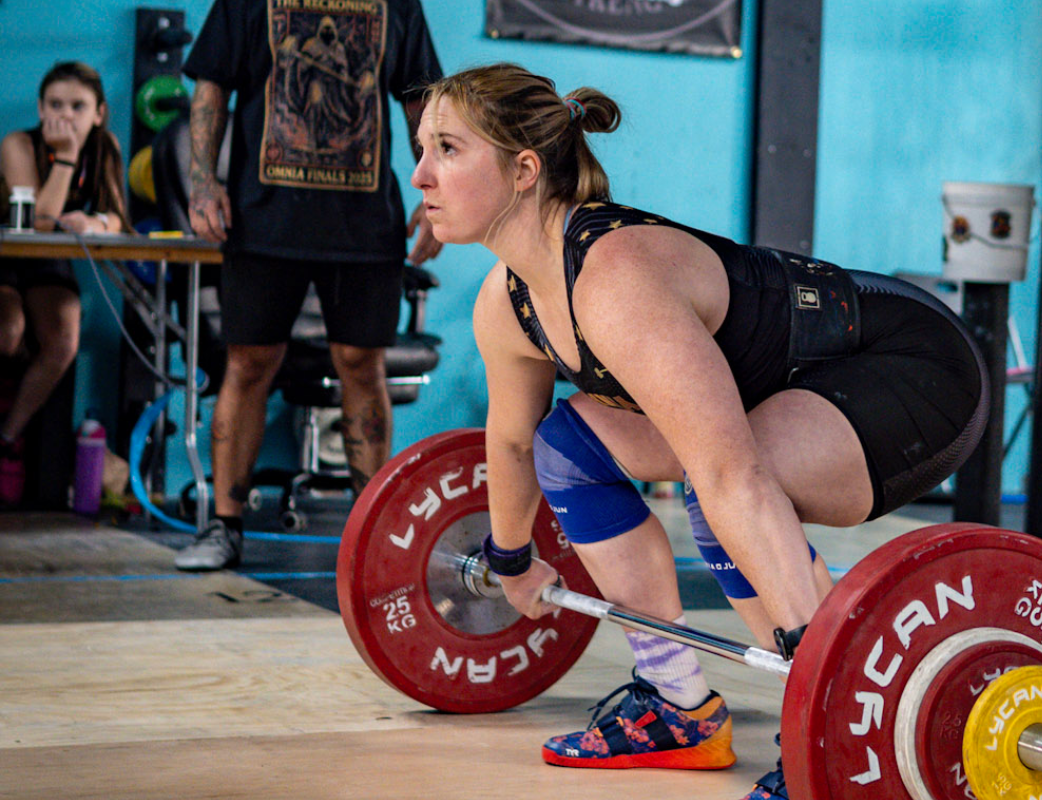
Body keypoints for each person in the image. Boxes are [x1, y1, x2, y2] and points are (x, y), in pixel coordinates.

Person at [413, 63, 990, 798]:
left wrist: (822, 690)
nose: (421, 175)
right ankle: (677, 704)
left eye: (447, 149)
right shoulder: (508, 301)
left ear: (523, 170)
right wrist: (512, 557)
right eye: (422, 148)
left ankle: (830, 727)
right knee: (572, 445)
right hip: (787, 393)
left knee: (722, 489)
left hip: (911, 366)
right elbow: (517, 441)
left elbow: (731, 477)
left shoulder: (614, 277)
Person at [173, 0, 443, 570]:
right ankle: (224, 527)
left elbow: (423, 102)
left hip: (364, 225)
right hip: (263, 218)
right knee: (248, 364)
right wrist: (202, 183)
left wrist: (435, 193)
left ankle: (372, 537)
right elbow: (211, 88)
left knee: (361, 364)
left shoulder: (398, 5)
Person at [0, 62, 129, 506]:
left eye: (78, 106)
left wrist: (94, 220)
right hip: (10, 256)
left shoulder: (106, 147)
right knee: (9, 332)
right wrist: (67, 157)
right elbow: (37, 222)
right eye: (55, 105)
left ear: (99, 112)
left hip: (51, 263)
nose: (66, 116)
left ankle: (7, 438)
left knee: (63, 341)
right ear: (39, 108)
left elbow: (117, 217)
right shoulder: (19, 144)